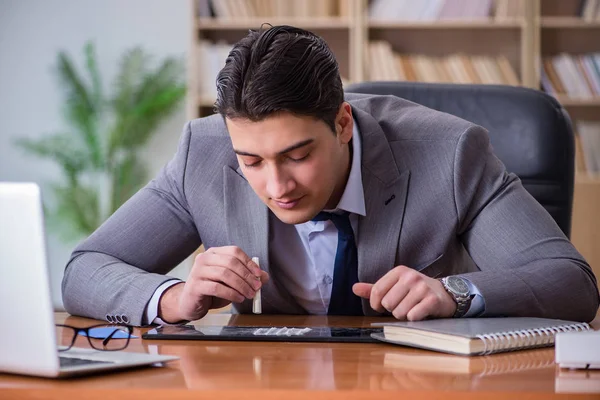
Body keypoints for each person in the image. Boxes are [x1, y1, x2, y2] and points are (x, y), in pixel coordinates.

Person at [62, 25, 599, 326]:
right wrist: (172, 297)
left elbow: (570, 282)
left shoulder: (452, 154)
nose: (276, 187)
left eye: (297, 155)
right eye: (251, 162)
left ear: (343, 122)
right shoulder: (201, 153)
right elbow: (85, 268)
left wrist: (453, 292)